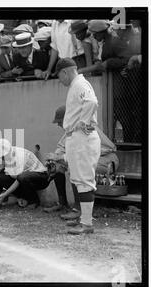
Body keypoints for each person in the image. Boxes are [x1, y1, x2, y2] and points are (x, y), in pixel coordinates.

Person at [45, 105, 119, 221]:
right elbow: (62, 147)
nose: (58, 125)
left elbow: (82, 153)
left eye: (59, 121)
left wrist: (59, 157)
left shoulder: (84, 127)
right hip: (88, 158)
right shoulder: (71, 129)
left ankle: (78, 209)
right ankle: (62, 203)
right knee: (59, 167)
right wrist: (54, 159)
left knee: (75, 169)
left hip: (106, 159)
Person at [54, 58, 101, 235]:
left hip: (82, 137)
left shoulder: (79, 83)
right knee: (79, 179)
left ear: (65, 72)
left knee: (84, 181)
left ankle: (87, 224)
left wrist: (83, 121)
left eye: (59, 76)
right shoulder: (77, 84)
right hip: (76, 137)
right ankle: (84, 220)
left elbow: (92, 102)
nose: (60, 80)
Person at [0, 139, 50, 209]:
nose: (2, 157)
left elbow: (18, 180)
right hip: (21, 179)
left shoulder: (19, 156)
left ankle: (33, 201)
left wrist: (5, 194)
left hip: (41, 178)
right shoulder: (0, 157)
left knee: (23, 177)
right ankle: (5, 198)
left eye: (3, 155)